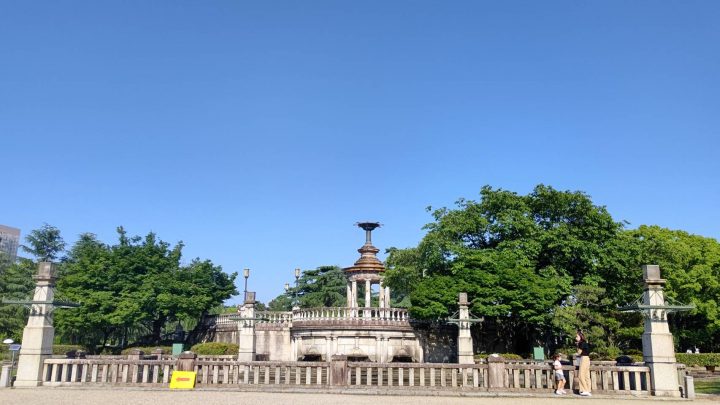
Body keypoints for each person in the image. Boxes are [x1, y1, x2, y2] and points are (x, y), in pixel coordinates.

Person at [575, 329, 592, 396]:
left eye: (577, 337)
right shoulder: (586, 343)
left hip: (584, 358)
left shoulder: (581, 343)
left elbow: (579, 353)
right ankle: (588, 389)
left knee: (581, 375)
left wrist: (577, 346)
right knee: (586, 375)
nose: (576, 338)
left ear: (580, 337)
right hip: (588, 359)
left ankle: (584, 390)